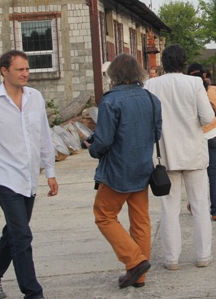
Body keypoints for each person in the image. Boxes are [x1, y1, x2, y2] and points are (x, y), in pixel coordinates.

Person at [0, 50, 59, 299]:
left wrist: (49, 172)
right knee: (22, 235)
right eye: (19, 69)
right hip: (4, 178)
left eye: (27, 69)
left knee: (13, 232)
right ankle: (33, 293)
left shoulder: (35, 98)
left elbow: (43, 137)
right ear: (4, 71)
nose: (25, 74)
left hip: (29, 177)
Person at [87, 53, 161, 289]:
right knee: (140, 222)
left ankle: (135, 260)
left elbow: (104, 140)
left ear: (114, 76)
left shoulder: (110, 101)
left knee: (104, 215)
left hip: (117, 171)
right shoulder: (151, 99)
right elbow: (156, 134)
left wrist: (92, 147)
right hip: (142, 168)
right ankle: (139, 276)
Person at [144, 44, 215, 270]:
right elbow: (207, 117)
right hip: (193, 151)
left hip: (165, 155)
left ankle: (171, 258)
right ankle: (203, 255)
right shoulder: (194, 83)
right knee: (200, 206)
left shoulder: (151, 84)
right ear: (184, 61)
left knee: (169, 208)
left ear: (163, 62)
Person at [188, 63, 216, 221]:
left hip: (198, 137)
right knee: (214, 174)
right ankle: (215, 211)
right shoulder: (215, 90)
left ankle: (194, 205)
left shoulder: (189, 93)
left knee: (197, 175)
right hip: (215, 134)